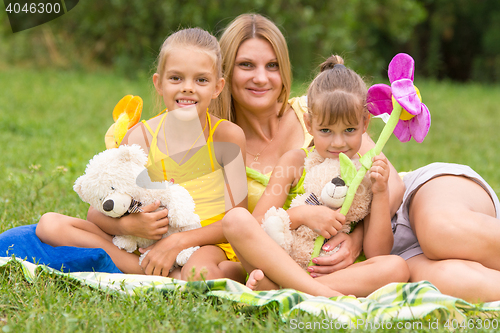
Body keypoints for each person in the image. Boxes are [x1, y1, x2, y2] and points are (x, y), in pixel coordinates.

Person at [36, 28, 248, 282]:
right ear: (159, 83)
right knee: (50, 224)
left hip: (203, 244)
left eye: (201, 80)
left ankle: (167, 272)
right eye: (176, 78)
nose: (188, 88)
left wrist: (178, 241)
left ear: (217, 87)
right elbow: (98, 211)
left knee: (199, 272)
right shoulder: (140, 138)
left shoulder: (228, 136)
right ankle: (161, 272)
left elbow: (235, 221)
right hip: (144, 241)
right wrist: (126, 226)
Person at [214, 13, 405, 276]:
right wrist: (302, 215)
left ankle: (308, 291)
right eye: (246, 65)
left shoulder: (326, 106)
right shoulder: (219, 137)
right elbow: (250, 226)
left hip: (338, 263)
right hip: (280, 256)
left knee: (395, 267)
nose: (261, 78)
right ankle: (310, 290)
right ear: (224, 71)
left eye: (272, 65)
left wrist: (355, 239)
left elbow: (393, 186)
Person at [391, 163, 500, 303]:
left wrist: (357, 238)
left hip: (410, 196)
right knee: (456, 280)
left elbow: (392, 185)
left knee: (441, 229)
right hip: (397, 255)